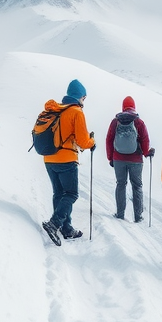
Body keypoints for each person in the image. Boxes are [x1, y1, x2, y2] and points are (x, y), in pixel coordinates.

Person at [40, 79, 96, 242]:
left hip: (49, 158)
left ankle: (66, 228)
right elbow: (83, 142)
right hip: (66, 159)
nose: (83, 101)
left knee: (59, 193)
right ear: (79, 96)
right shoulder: (76, 112)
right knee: (71, 194)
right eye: (83, 98)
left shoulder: (57, 109)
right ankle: (54, 223)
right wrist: (92, 141)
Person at [105, 96, 155, 223]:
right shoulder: (139, 122)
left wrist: (110, 157)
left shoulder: (115, 122)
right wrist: (146, 152)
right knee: (137, 186)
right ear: (134, 106)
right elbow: (145, 139)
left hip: (118, 159)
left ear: (123, 107)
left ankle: (120, 214)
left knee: (121, 184)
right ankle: (138, 216)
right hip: (136, 160)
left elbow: (109, 140)